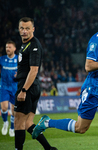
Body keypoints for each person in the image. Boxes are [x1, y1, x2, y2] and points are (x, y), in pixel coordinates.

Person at [32, 11, 98, 150]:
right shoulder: (97, 40)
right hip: (93, 90)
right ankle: (47, 123)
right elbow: (88, 66)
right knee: (80, 128)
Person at [14, 17, 57, 150]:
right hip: (32, 86)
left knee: (18, 122)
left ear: (33, 29)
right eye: (22, 28)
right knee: (28, 124)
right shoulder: (24, 44)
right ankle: (49, 148)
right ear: (19, 29)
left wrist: (24, 90)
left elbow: (34, 70)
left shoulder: (34, 45)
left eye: (27, 28)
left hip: (28, 87)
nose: (24, 31)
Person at [0, 40, 18, 137]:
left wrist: (18, 75)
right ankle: (5, 122)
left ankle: (12, 128)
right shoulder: (2, 59)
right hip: (4, 87)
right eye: (7, 47)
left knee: (14, 111)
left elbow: (24, 72)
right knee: (4, 107)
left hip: (15, 87)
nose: (8, 49)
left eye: (9, 47)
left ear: (14, 49)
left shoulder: (19, 59)